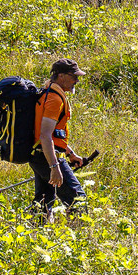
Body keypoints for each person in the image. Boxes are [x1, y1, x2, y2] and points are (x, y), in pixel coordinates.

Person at [32, 58, 87, 213]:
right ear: (61, 76)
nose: (76, 80)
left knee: (43, 200)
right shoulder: (54, 99)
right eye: (74, 76)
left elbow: (54, 135)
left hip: (39, 154)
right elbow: (45, 136)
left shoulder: (49, 93)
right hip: (46, 156)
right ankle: (81, 235)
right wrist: (54, 167)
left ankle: (36, 233)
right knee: (78, 200)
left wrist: (70, 153)